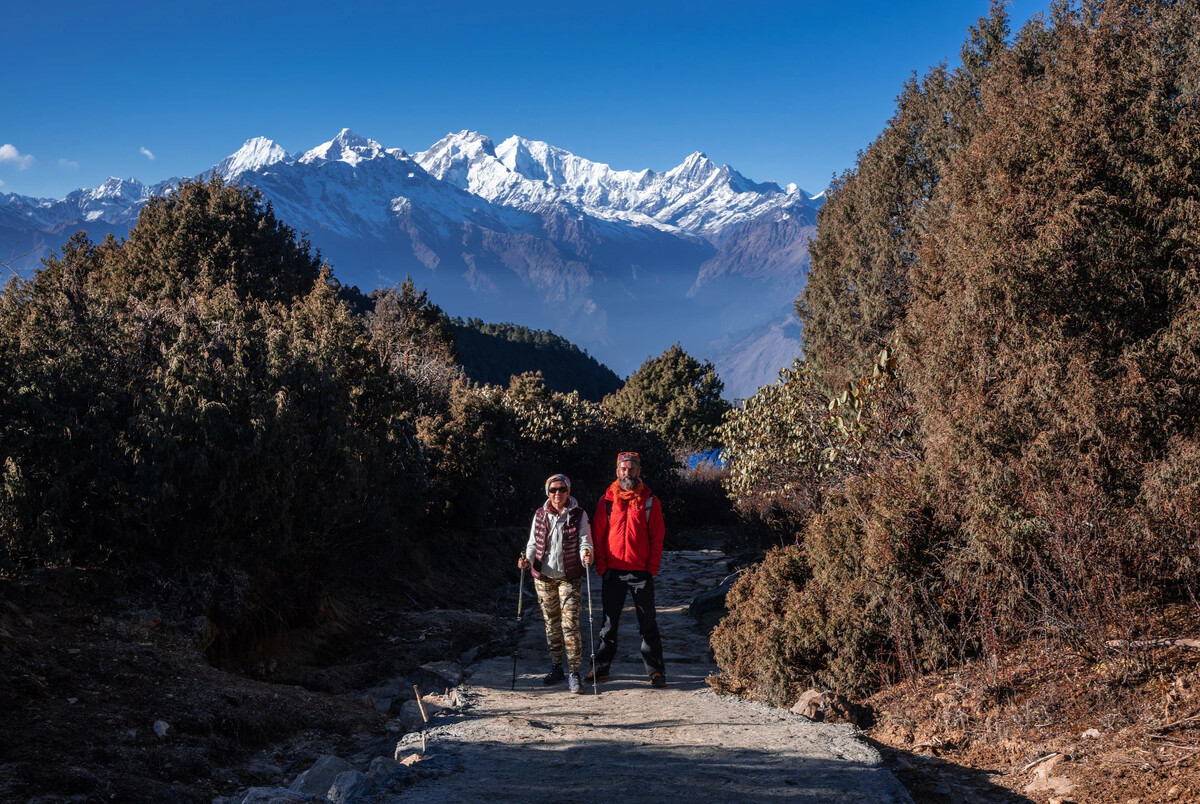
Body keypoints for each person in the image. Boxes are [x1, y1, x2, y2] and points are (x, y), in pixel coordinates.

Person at [586, 451, 667, 688]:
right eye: (623, 469)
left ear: (638, 471)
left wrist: (651, 568)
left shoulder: (651, 501)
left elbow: (657, 537)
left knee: (647, 622)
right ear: (617, 471)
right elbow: (598, 537)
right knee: (608, 624)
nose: (627, 473)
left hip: (641, 572)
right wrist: (602, 567)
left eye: (631, 469)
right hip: (613, 571)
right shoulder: (607, 501)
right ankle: (600, 669)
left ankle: (656, 672)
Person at [518, 473, 593, 694]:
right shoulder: (540, 514)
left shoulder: (579, 514)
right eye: (553, 490)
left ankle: (574, 673)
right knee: (551, 625)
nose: (557, 494)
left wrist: (586, 555)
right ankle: (556, 666)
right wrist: (526, 561)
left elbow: (584, 541)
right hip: (543, 578)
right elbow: (532, 544)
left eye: (562, 489)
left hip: (569, 576)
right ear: (547, 492)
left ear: (569, 491)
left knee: (570, 625)